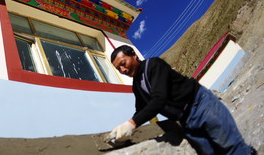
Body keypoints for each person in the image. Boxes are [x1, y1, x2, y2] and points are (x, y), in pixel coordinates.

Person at [106, 45, 254, 154]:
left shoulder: (154, 65)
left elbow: (159, 99)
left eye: (123, 64)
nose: (123, 70)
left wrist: (131, 124)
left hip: (201, 105)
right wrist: (125, 130)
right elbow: (141, 110)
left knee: (232, 147)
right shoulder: (137, 86)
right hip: (186, 120)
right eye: (119, 69)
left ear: (133, 55)